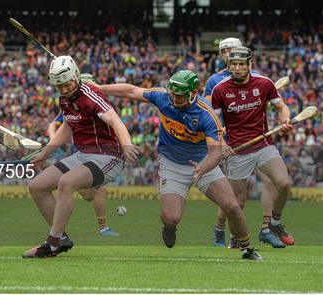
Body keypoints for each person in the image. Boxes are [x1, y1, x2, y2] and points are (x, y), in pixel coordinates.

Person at [96, 70, 262, 260]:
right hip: (171, 164)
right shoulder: (163, 97)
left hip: (202, 163)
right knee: (171, 217)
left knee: (231, 206)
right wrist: (100, 88)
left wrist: (203, 168)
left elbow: (216, 153)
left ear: (193, 93)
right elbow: (132, 91)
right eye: (173, 93)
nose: (174, 98)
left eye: (180, 95)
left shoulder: (205, 113)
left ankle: (247, 248)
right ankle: (169, 228)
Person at [23, 56, 138, 258]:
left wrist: (127, 144)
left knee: (66, 183)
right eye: (59, 87)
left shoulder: (91, 95)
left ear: (76, 76)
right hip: (82, 154)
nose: (64, 90)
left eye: (67, 85)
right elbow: (67, 127)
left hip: (107, 155)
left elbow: (114, 119)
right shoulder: (64, 99)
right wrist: (45, 153)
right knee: (37, 186)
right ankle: (61, 238)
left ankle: (51, 244)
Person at [205, 38, 285, 248]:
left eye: (242, 63)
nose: (237, 67)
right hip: (237, 150)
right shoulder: (218, 86)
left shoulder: (264, 82)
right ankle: (230, 236)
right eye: (233, 62)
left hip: (263, 145)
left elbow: (280, 107)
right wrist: (221, 142)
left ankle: (271, 225)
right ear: (227, 63)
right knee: (237, 202)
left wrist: (285, 120)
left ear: (250, 63)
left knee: (282, 182)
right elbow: (212, 120)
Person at [46, 74, 120, 237]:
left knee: (95, 192)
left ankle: (103, 227)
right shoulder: (68, 105)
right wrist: (53, 141)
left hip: (98, 155)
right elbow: (54, 125)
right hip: (80, 153)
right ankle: (59, 235)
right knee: (86, 192)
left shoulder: (96, 101)